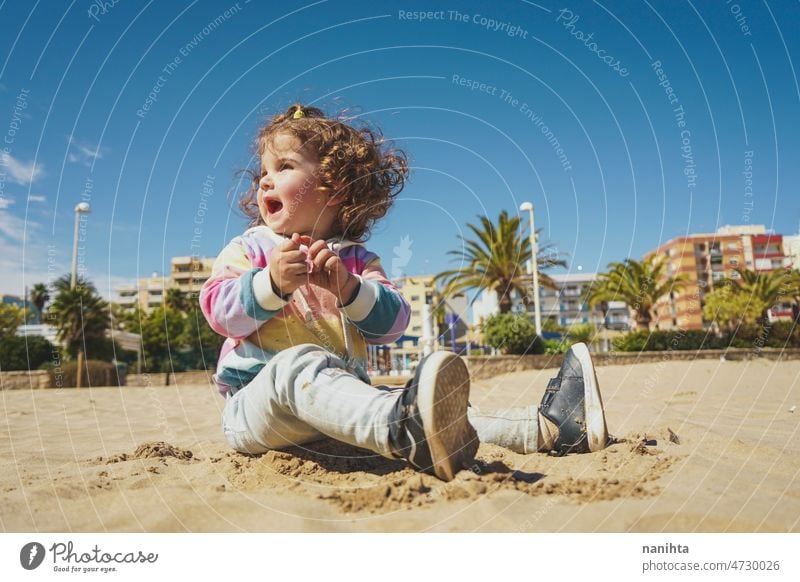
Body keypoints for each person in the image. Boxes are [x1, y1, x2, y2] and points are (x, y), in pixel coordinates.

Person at [200, 104, 609, 482]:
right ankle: (400, 428)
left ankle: (551, 427)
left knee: (426, 410)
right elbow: (219, 311)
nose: (266, 179)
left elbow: (392, 324)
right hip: (258, 405)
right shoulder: (250, 249)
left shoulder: (356, 262)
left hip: (342, 408)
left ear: (336, 189)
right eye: (263, 172)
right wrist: (269, 284)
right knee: (298, 367)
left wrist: (347, 288)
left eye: (284, 166)